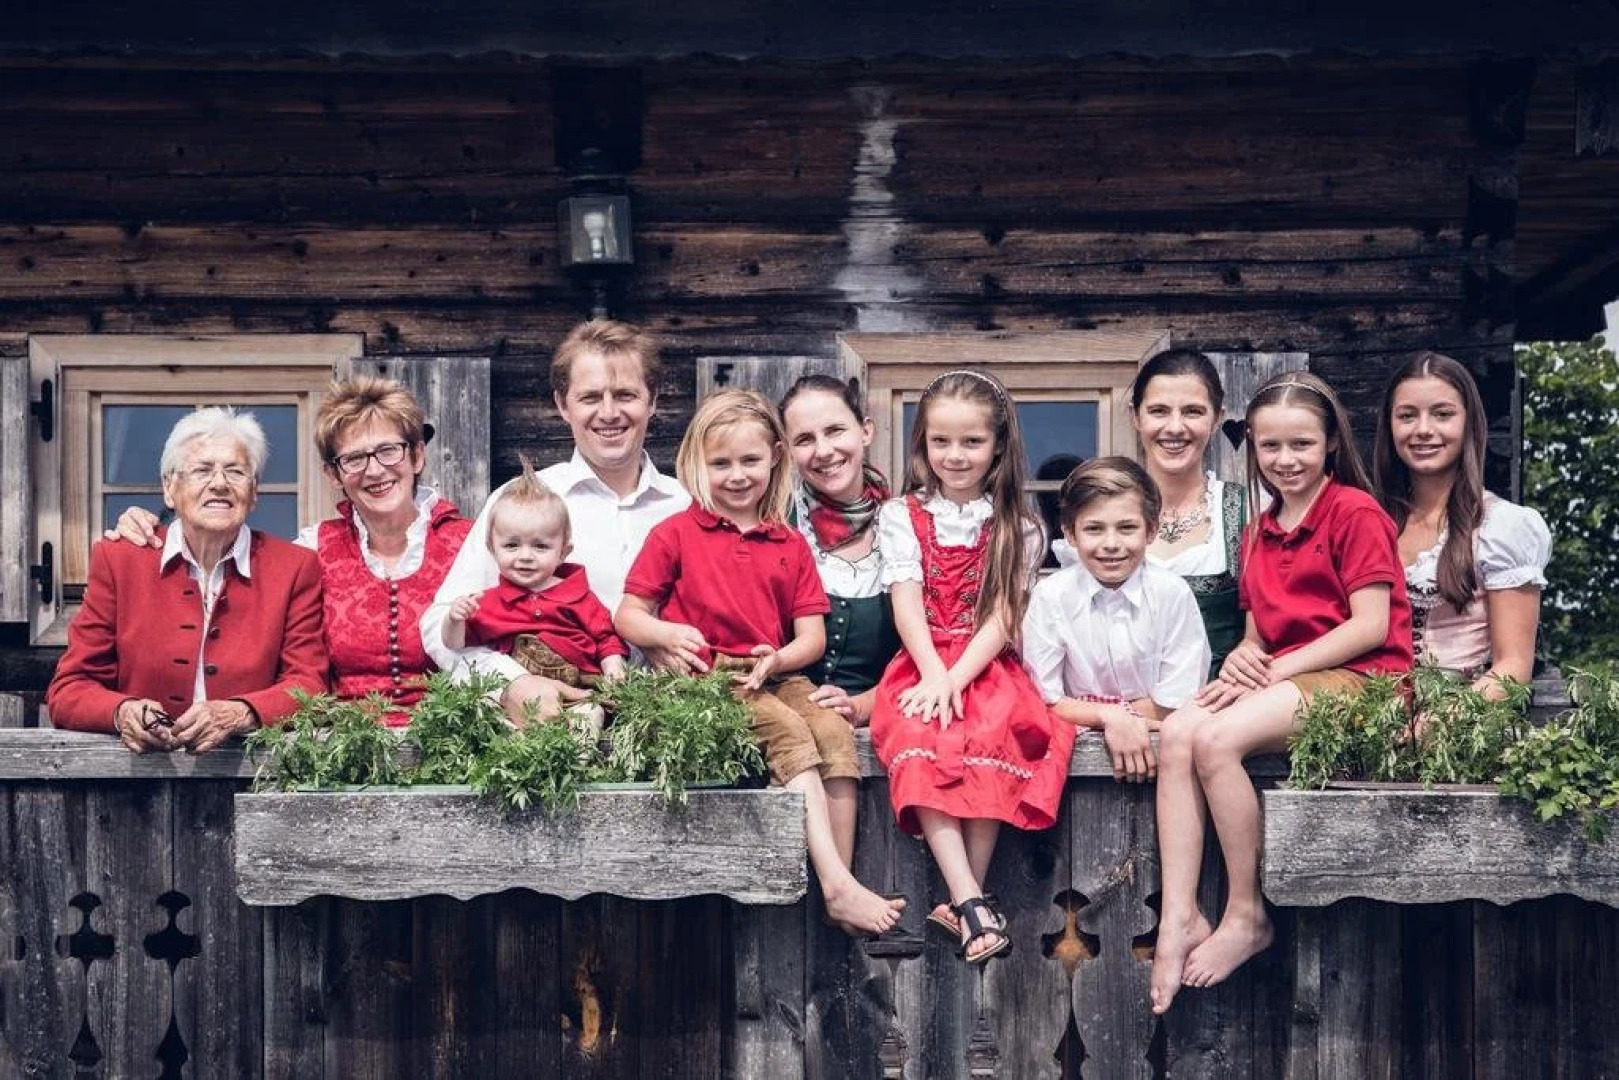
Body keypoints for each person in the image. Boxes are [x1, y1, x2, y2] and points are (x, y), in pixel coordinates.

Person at [1150, 372, 1413, 1013]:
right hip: (1293, 675)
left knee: (1216, 738)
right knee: (1180, 728)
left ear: (1329, 444)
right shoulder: (1260, 529)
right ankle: (1179, 915)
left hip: (1367, 682)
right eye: (1270, 448)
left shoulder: (1353, 510)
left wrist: (1275, 668)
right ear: (1253, 450)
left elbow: (1371, 626)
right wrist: (1244, 660)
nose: (1285, 461)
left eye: (1300, 445)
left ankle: (1246, 912)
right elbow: (1253, 636)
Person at [615, 389, 904, 936]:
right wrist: (667, 633)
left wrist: (777, 660)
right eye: (720, 463)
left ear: (775, 456)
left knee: (833, 730)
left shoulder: (788, 542)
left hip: (773, 671)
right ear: (697, 464)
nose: (736, 476)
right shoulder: (676, 532)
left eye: (749, 460)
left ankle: (838, 878)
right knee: (789, 730)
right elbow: (628, 615)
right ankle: (837, 886)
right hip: (707, 679)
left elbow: (811, 638)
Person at [109, 377, 474, 718]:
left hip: (457, 754)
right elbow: (224, 560)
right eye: (354, 458)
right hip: (338, 759)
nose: (375, 470)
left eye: (389, 451)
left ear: (417, 456)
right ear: (333, 474)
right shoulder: (312, 549)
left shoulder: (473, 543)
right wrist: (152, 526)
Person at [868, 370, 1076, 965]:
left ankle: (961, 902)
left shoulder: (1022, 525)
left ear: (999, 447)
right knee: (920, 734)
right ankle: (971, 899)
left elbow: (1006, 615)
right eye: (940, 442)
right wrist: (934, 673)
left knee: (992, 733)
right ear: (922, 445)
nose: (954, 456)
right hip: (922, 657)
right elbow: (906, 598)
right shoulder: (902, 515)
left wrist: (958, 680)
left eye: (971, 443)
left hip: (987, 663)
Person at [424, 319, 689, 722]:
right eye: (590, 397)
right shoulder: (523, 500)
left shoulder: (687, 506)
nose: (609, 412)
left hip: (675, 726)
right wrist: (512, 683)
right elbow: (437, 627)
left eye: (626, 395)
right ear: (563, 406)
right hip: (554, 728)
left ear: (652, 401)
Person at [49, 408, 328, 753]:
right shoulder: (120, 559)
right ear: (170, 488)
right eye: (202, 470)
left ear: (254, 492)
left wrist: (242, 713)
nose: (220, 483)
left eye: (236, 471)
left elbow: (309, 685)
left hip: (251, 778)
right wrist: (122, 712)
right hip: (138, 786)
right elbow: (70, 689)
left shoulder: (294, 567)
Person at [1021, 458, 1210, 784]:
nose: (1111, 544)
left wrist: (1108, 716)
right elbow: (1043, 699)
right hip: (1070, 769)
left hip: (1162, 758)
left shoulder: (1172, 594)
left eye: (1127, 528)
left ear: (1151, 529)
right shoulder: (1051, 597)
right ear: (1070, 534)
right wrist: (1111, 718)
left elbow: (1176, 699)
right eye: (1094, 528)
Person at [1373, 352, 1551, 694]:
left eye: (1442, 414)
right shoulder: (1370, 520)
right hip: (1369, 720)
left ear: (1469, 422)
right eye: (1407, 416)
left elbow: (1512, 667)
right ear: (1390, 426)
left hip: (1459, 725)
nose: (1424, 430)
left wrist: (1441, 724)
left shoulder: (1503, 526)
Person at [440, 458, 628, 691]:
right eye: (511, 545)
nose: (525, 556)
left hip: (581, 687)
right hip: (520, 696)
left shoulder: (579, 596)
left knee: (589, 715)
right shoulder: (488, 603)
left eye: (540, 546)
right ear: (492, 549)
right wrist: (454, 620)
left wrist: (613, 670)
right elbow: (455, 644)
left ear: (563, 552)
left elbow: (606, 639)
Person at [778, 374, 902, 725]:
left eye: (835, 431)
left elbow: (933, 652)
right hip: (790, 724)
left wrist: (862, 705)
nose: (823, 451)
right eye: (804, 439)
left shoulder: (906, 530)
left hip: (886, 727)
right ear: (788, 450)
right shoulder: (777, 526)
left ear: (865, 431)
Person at [1128, 348, 1246, 674]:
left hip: (1221, 709)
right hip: (1118, 709)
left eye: (1193, 411)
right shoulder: (1103, 514)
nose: (1175, 427)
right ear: (1135, 417)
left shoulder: (1247, 510)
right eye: (1159, 411)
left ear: (1217, 418)